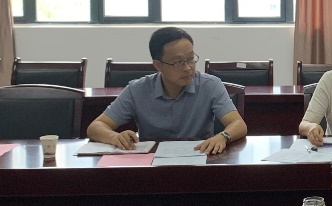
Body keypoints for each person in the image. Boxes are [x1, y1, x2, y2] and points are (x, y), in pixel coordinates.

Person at [86, 27, 247, 155]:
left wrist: (223, 136)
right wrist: (115, 137)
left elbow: (238, 124)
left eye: (191, 59)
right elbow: (96, 126)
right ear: (158, 65)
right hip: (151, 164)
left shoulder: (210, 85)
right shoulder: (137, 90)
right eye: (178, 62)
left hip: (199, 159)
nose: (187, 68)